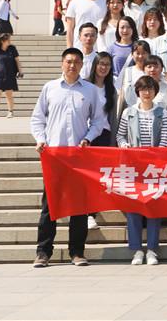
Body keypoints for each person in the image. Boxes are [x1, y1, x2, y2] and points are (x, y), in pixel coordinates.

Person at [31, 47, 107, 267]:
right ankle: (43, 252)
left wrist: (88, 138)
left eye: (76, 62)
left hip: (78, 156)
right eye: (68, 61)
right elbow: (37, 118)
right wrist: (40, 139)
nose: (72, 65)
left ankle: (77, 252)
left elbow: (98, 121)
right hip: (54, 156)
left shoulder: (90, 90)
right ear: (62, 63)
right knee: (50, 206)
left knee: (79, 207)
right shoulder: (50, 88)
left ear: (82, 65)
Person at [117, 74, 167, 265]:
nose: (146, 93)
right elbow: (120, 136)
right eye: (143, 89)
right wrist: (125, 146)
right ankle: (137, 250)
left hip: (154, 168)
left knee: (154, 208)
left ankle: (152, 250)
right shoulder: (129, 112)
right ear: (137, 92)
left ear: (155, 92)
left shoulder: (162, 112)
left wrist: (156, 156)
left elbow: (165, 138)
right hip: (133, 167)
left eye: (150, 89)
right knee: (133, 209)